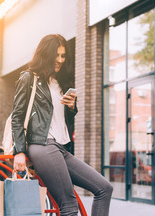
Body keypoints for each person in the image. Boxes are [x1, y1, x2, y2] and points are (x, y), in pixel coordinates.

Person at [11, 34, 113, 216]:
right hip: (42, 145)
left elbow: (62, 120)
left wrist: (72, 107)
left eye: (63, 56)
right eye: (56, 55)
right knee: (69, 205)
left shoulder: (61, 83)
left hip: (61, 147)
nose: (59, 60)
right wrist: (19, 151)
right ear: (45, 54)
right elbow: (17, 116)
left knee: (104, 188)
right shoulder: (29, 78)